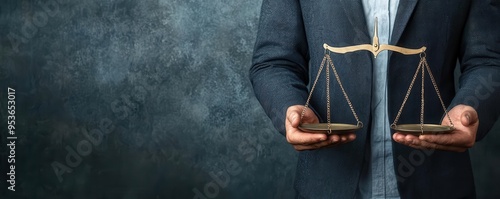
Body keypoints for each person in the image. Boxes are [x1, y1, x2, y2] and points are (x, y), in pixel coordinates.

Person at [249, 0, 500, 198]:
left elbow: (488, 61)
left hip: (436, 183)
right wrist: (291, 109)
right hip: (327, 183)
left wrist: (472, 106)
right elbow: (274, 61)